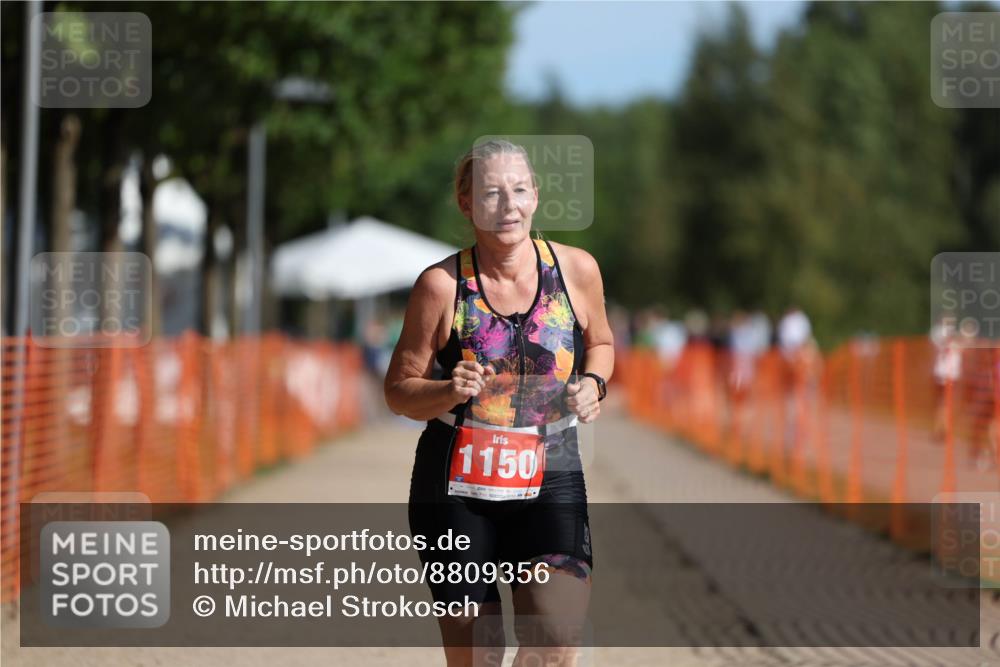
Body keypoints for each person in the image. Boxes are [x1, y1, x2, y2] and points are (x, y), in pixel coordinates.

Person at [384, 139, 614, 666]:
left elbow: (600, 341)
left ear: (535, 196)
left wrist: (594, 383)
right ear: (467, 204)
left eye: (517, 190)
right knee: (478, 657)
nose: (507, 205)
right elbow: (398, 390)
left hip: (549, 472)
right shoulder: (441, 287)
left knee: (555, 640)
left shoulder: (575, 270)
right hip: (458, 484)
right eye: (490, 193)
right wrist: (447, 389)